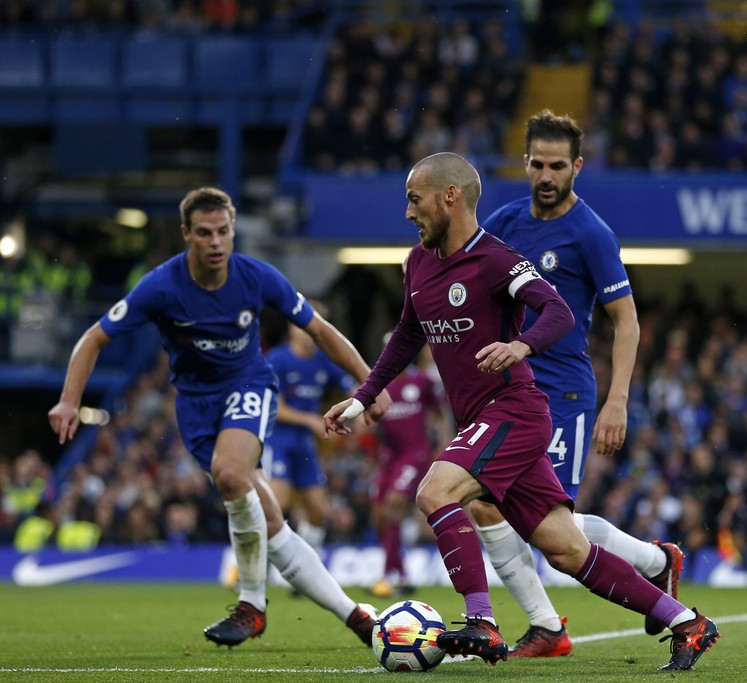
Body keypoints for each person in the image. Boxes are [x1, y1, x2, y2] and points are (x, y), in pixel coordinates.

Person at [324, 152, 719, 671]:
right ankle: (687, 623)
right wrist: (363, 394)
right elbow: (407, 334)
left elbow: (556, 309)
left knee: (434, 491)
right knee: (567, 550)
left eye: (414, 200)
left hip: (513, 408)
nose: (407, 213)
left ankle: (481, 620)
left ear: (451, 197)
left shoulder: (495, 259)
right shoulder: (419, 262)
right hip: (483, 419)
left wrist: (522, 346)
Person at [48, 187, 391, 648]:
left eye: (224, 232)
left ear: (233, 232)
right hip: (195, 407)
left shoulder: (256, 277)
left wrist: (369, 384)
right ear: (187, 234)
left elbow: (321, 329)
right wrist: (70, 401)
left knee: (231, 475)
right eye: (205, 233)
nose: (216, 242)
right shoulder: (161, 286)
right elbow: (94, 337)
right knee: (269, 522)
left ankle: (252, 604)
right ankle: (358, 617)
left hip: (249, 385)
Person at [471, 109, 683, 656]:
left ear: (577, 167)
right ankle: (551, 625)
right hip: (509, 390)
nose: (546, 175)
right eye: (538, 164)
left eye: (557, 166)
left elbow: (627, 319)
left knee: (547, 524)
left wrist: (617, 401)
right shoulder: (504, 222)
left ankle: (656, 565)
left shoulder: (590, 232)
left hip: (563, 393)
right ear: (524, 163)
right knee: (489, 507)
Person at [263, 301, 355, 562]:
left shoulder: (323, 362)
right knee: (276, 505)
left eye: (315, 327)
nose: (309, 332)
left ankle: (303, 564)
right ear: (292, 328)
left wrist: (364, 403)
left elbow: (351, 387)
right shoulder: (277, 359)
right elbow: (275, 408)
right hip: (277, 441)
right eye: (304, 326)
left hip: (305, 444)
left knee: (318, 511)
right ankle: (252, 567)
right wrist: (311, 420)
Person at [369, 340, 451, 599]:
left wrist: (444, 447)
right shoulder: (380, 386)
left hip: (414, 454)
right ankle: (402, 575)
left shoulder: (423, 383)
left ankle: (386, 576)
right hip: (389, 457)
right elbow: (371, 422)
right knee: (379, 516)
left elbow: (440, 416)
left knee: (394, 503)